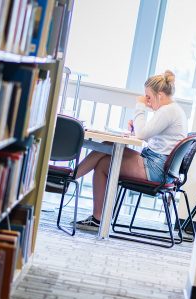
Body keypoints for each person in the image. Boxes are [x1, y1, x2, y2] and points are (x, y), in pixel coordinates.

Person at [73, 70, 187, 231]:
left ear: (160, 95)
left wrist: (140, 107)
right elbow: (155, 139)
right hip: (158, 164)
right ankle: (93, 210)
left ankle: (71, 179)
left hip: (157, 169)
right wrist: (138, 128)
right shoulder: (171, 110)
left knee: (105, 158)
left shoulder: (168, 111)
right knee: (106, 152)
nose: (147, 101)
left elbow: (142, 134)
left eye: (148, 97)